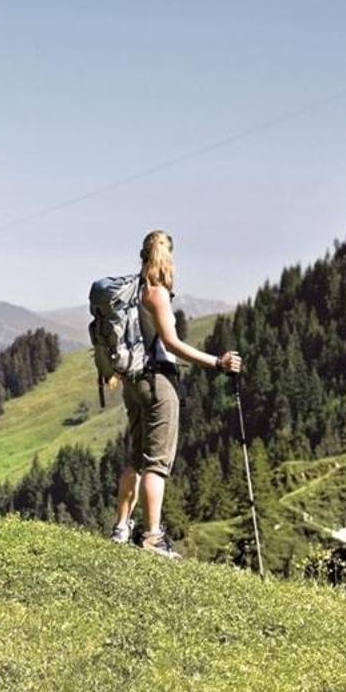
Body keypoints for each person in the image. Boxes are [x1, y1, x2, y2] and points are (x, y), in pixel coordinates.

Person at [110, 229, 242, 558]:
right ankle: (153, 537)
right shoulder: (156, 294)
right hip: (158, 382)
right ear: (167, 257)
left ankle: (121, 528)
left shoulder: (131, 291)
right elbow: (171, 343)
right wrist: (217, 362)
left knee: (135, 459)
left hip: (133, 382)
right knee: (156, 463)